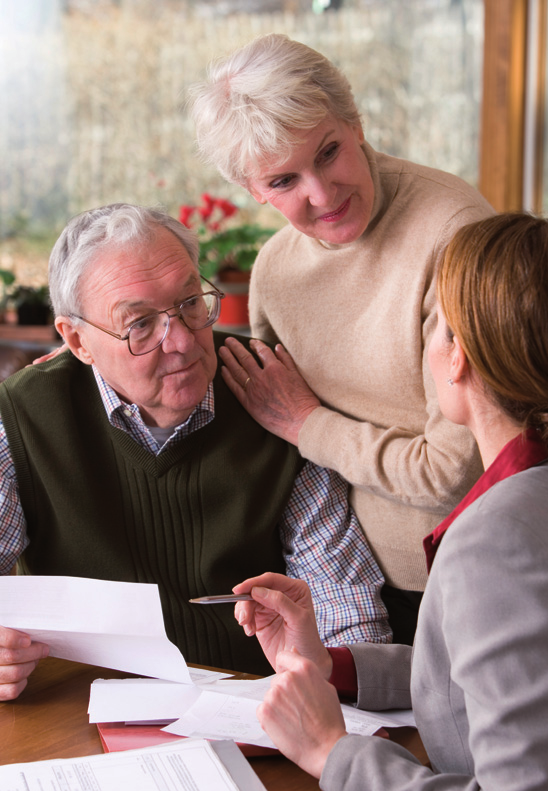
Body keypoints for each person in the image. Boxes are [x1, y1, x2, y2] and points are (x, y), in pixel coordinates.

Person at [230, 213, 548, 791]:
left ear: (456, 358)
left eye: (435, 324)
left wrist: (330, 752)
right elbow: (524, 682)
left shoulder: (500, 540)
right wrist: (333, 667)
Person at [0, 202, 392, 702]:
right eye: (139, 324)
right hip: (77, 715)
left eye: (190, 303)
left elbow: (346, 607)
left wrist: (341, 686)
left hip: (258, 707)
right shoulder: (25, 415)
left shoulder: (268, 391)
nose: (182, 341)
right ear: (77, 340)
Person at [189, 33, 495, 643]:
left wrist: (309, 425)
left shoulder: (455, 233)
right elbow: (282, 449)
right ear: (252, 190)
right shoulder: (274, 273)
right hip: (338, 590)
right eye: (283, 181)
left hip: (464, 586)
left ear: (354, 122)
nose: (322, 195)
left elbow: (455, 474)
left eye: (328, 152)